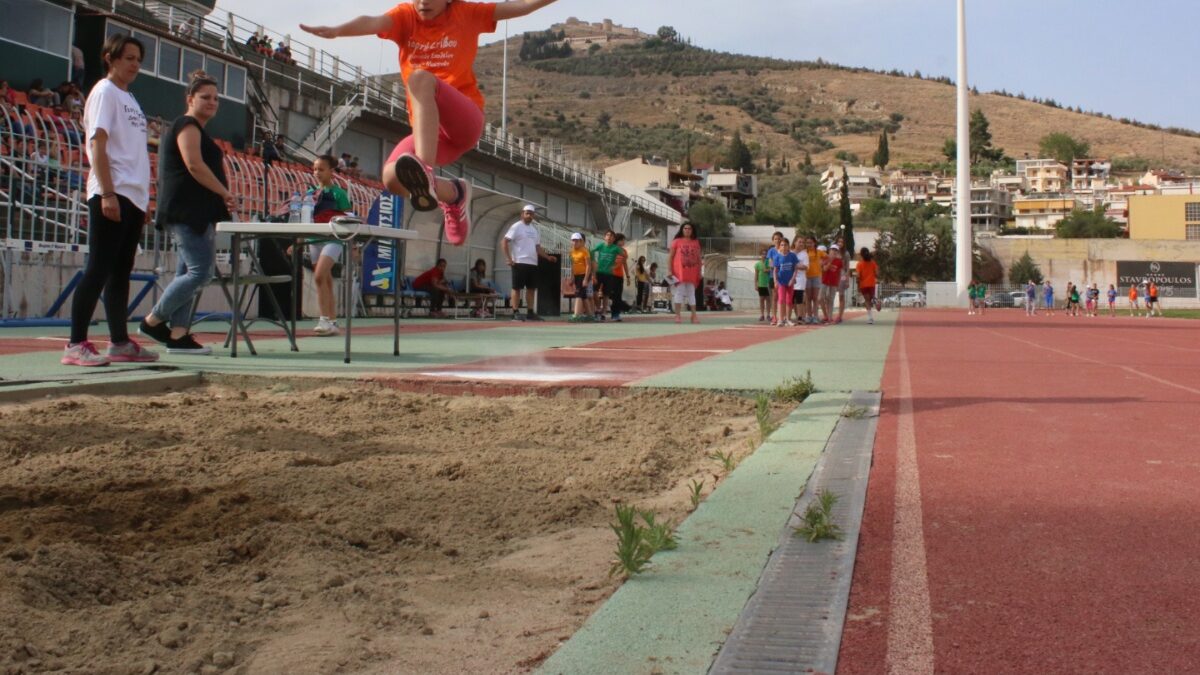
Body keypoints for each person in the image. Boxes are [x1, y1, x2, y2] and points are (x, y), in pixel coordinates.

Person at [301, 0, 560, 246]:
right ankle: (454, 195)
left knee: (420, 79)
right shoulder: (406, 17)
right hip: (432, 134)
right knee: (392, 178)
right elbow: (373, 22)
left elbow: (521, 6)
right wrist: (338, 30)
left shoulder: (466, 13)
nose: (423, 2)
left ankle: (424, 168)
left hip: (463, 122)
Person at [63, 34, 157, 366]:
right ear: (110, 58)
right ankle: (75, 343)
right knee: (99, 268)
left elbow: (133, 152)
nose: (134, 65)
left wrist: (141, 198)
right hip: (112, 190)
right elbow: (98, 144)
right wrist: (106, 191)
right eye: (128, 58)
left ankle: (119, 341)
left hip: (132, 194)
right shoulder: (104, 91)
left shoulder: (129, 98)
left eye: (138, 59)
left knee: (121, 271)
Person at [138, 70, 236, 356]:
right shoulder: (187, 125)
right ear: (190, 98)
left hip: (197, 211)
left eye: (216, 98)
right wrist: (223, 191)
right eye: (205, 97)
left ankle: (178, 335)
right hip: (186, 211)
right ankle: (152, 321)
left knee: (187, 271)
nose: (212, 102)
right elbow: (194, 165)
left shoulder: (196, 128)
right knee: (200, 272)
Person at [304, 154, 354, 335]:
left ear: (331, 171)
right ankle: (333, 322)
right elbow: (306, 219)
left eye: (321, 169)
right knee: (325, 281)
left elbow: (350, 220)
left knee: (319, 276)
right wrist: (298, 241)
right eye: (315, 169)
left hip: (333, 239)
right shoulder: (311, 194)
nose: (317, 172)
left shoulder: (339, 193)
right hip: (314, 239)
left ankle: (323, 320)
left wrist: (353, 246)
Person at [501, 204, 555, 321]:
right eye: (527, 213)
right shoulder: (516, 226)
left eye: (531, 214)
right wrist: (509, 258)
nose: (529, 215)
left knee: (531, 288)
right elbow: (504, 242)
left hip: (532, 263)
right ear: (522, 214)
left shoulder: (534, 230)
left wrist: (547, 257)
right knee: (517, 288)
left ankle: (530, 312)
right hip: (519, 262)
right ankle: (515, 311)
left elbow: (537, 248)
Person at [667, 221, 702, 324]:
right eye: (685, 228)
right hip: (679, 272)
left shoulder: (696, 242)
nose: (687, 230)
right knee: (679, 292)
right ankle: (677, 315)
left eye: (689, 228)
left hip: (692, 271)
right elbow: (670, 257)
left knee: (692, 293)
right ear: (682, 230)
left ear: (692, 231)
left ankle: (694, 315)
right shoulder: (676, 241)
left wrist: (699, 271)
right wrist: (669, 270)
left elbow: (699, 258)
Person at [591, 230, 621, 321]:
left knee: (606, 294)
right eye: (607, 235)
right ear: (604, 237)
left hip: (609, 274)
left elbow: (624, 256)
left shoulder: (616, 248)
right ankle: (598, 309)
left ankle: (604, 312)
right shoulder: (601, 245)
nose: (609, 237)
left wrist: (616, 266)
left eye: (611, 236)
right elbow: (591, 251)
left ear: (614, 239)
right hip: (599, 272)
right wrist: (594, 262)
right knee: (594, 291)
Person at [772, 237, 799, 327]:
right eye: (782, 245)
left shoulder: (792, 256)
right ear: (779, 247)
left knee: (789, 301)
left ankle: (788, 319)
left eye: (785, 245)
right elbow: (775, 270)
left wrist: (792, 279)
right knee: (781, 299)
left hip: (790, 282)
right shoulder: (777, 257)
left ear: (788, 246)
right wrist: (775, 281)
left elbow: (795, 269)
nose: (783, 246)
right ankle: (780, 319)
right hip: (781, 281)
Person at [567, 233, 594, 322]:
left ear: (581, 241)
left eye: (577, 241)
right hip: (577, 275)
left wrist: (586, 279)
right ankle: (590, 316)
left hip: (584, 275)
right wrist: (572, 277)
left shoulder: (585, 251)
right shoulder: (571, 252)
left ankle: (576, 315)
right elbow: (573, 265)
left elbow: (588, 266)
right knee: (583, 296)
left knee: (578, 294)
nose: (575, 242)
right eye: (573, 240)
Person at [820, 243, 844, 323]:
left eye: (836, 250)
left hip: (833, 282)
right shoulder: (825, 258)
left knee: (831, 299)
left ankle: (830, 317)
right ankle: (826, 315)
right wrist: (830, 261)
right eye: (832, 249)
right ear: (829, 250)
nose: (834, 251)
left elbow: (839, 272)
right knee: (820, 297)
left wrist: (838, 282)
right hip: (824, 281)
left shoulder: (839, 261)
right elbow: (825, 269)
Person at [789, 238, 809, 324]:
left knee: (799, 299)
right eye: (799, 242)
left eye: (803, 242)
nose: (801, 243)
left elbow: (805, 267)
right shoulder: (790, 253)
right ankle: (789, 317)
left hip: (800, 280)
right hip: (790, 279)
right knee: (791, 300)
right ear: (795, 243)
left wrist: (795, 266)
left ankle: (800, 317)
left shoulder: (804, 254)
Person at [803, 237, 823, 324]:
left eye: (811, 242)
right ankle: (809, 316)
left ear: (814, 243)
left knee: (815, 298)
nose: (809, 244)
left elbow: (828, 257)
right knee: (808, 298)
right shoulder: (804, 252)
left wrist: (824, 264)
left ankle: (815, 316)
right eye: (807, 243)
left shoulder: (819, 252)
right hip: (806, 276)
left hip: (816, 276)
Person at [857, 247, 879, 325]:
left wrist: (858, 286)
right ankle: (875, 300)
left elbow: (858, 276)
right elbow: (877, 273)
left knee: (867, 301)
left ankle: (870, 318)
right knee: (871, 298)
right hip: (871, 283)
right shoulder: (873, 263)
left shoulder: (859, 264)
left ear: (861, 255)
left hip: (863, 284)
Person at [753, 247, 771, 322]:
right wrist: (755, 284)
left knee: (768, 300)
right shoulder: (757, 264)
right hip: (761, 284)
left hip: (768, 283)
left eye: (765, 254)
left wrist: (767, 270)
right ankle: (762, 315)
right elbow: (756, 275)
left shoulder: (769, 262)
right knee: (761, 300)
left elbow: (772, 269)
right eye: (763, 254)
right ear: (760, 255)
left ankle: (768, 315)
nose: (764, 255)